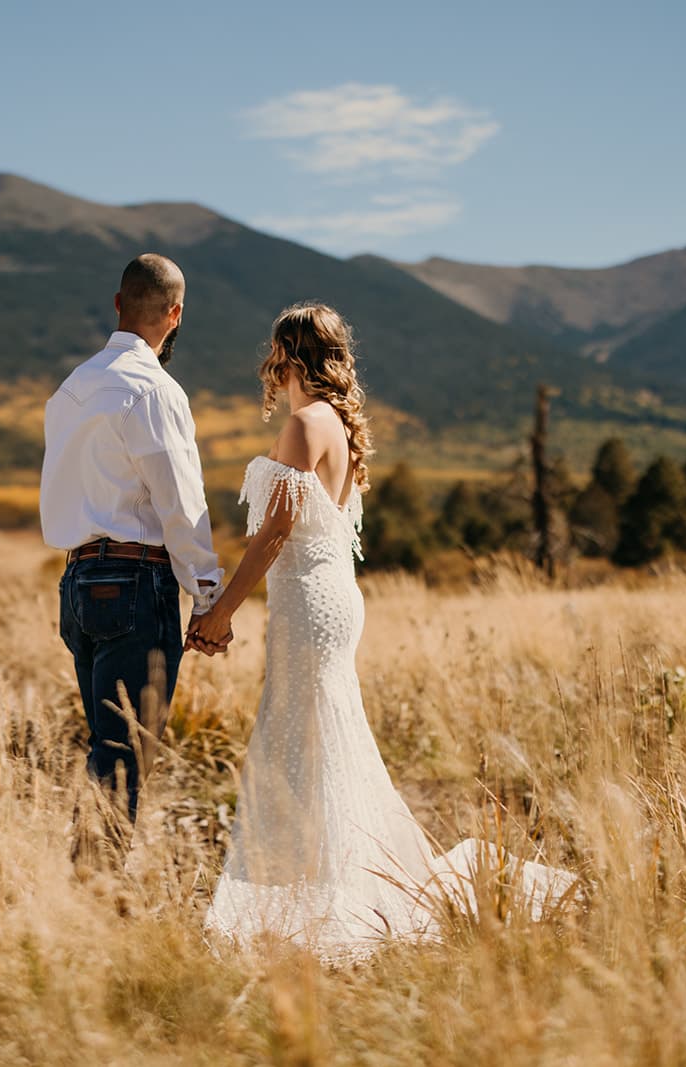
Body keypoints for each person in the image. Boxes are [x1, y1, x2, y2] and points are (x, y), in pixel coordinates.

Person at [194, 303, 576, 961]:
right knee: (325, 740)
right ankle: (321, 885)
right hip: (337, 598)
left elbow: (275, 534)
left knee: (296, 742)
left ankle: (322, 897)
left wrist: (220, 610)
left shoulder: (302, 424)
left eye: (276, 351)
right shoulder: (340, 425)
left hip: (310, 603)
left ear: (287, 354)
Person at [40, 253, 228, 829]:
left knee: (107, 742)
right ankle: (95, 886)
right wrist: (209, 597)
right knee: (125, 753)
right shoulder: (155, 391)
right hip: (135, 585)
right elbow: (180, 504)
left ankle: (90, 880)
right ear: (175, 315)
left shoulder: (70, 391)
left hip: (77, 582)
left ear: (118, 304)